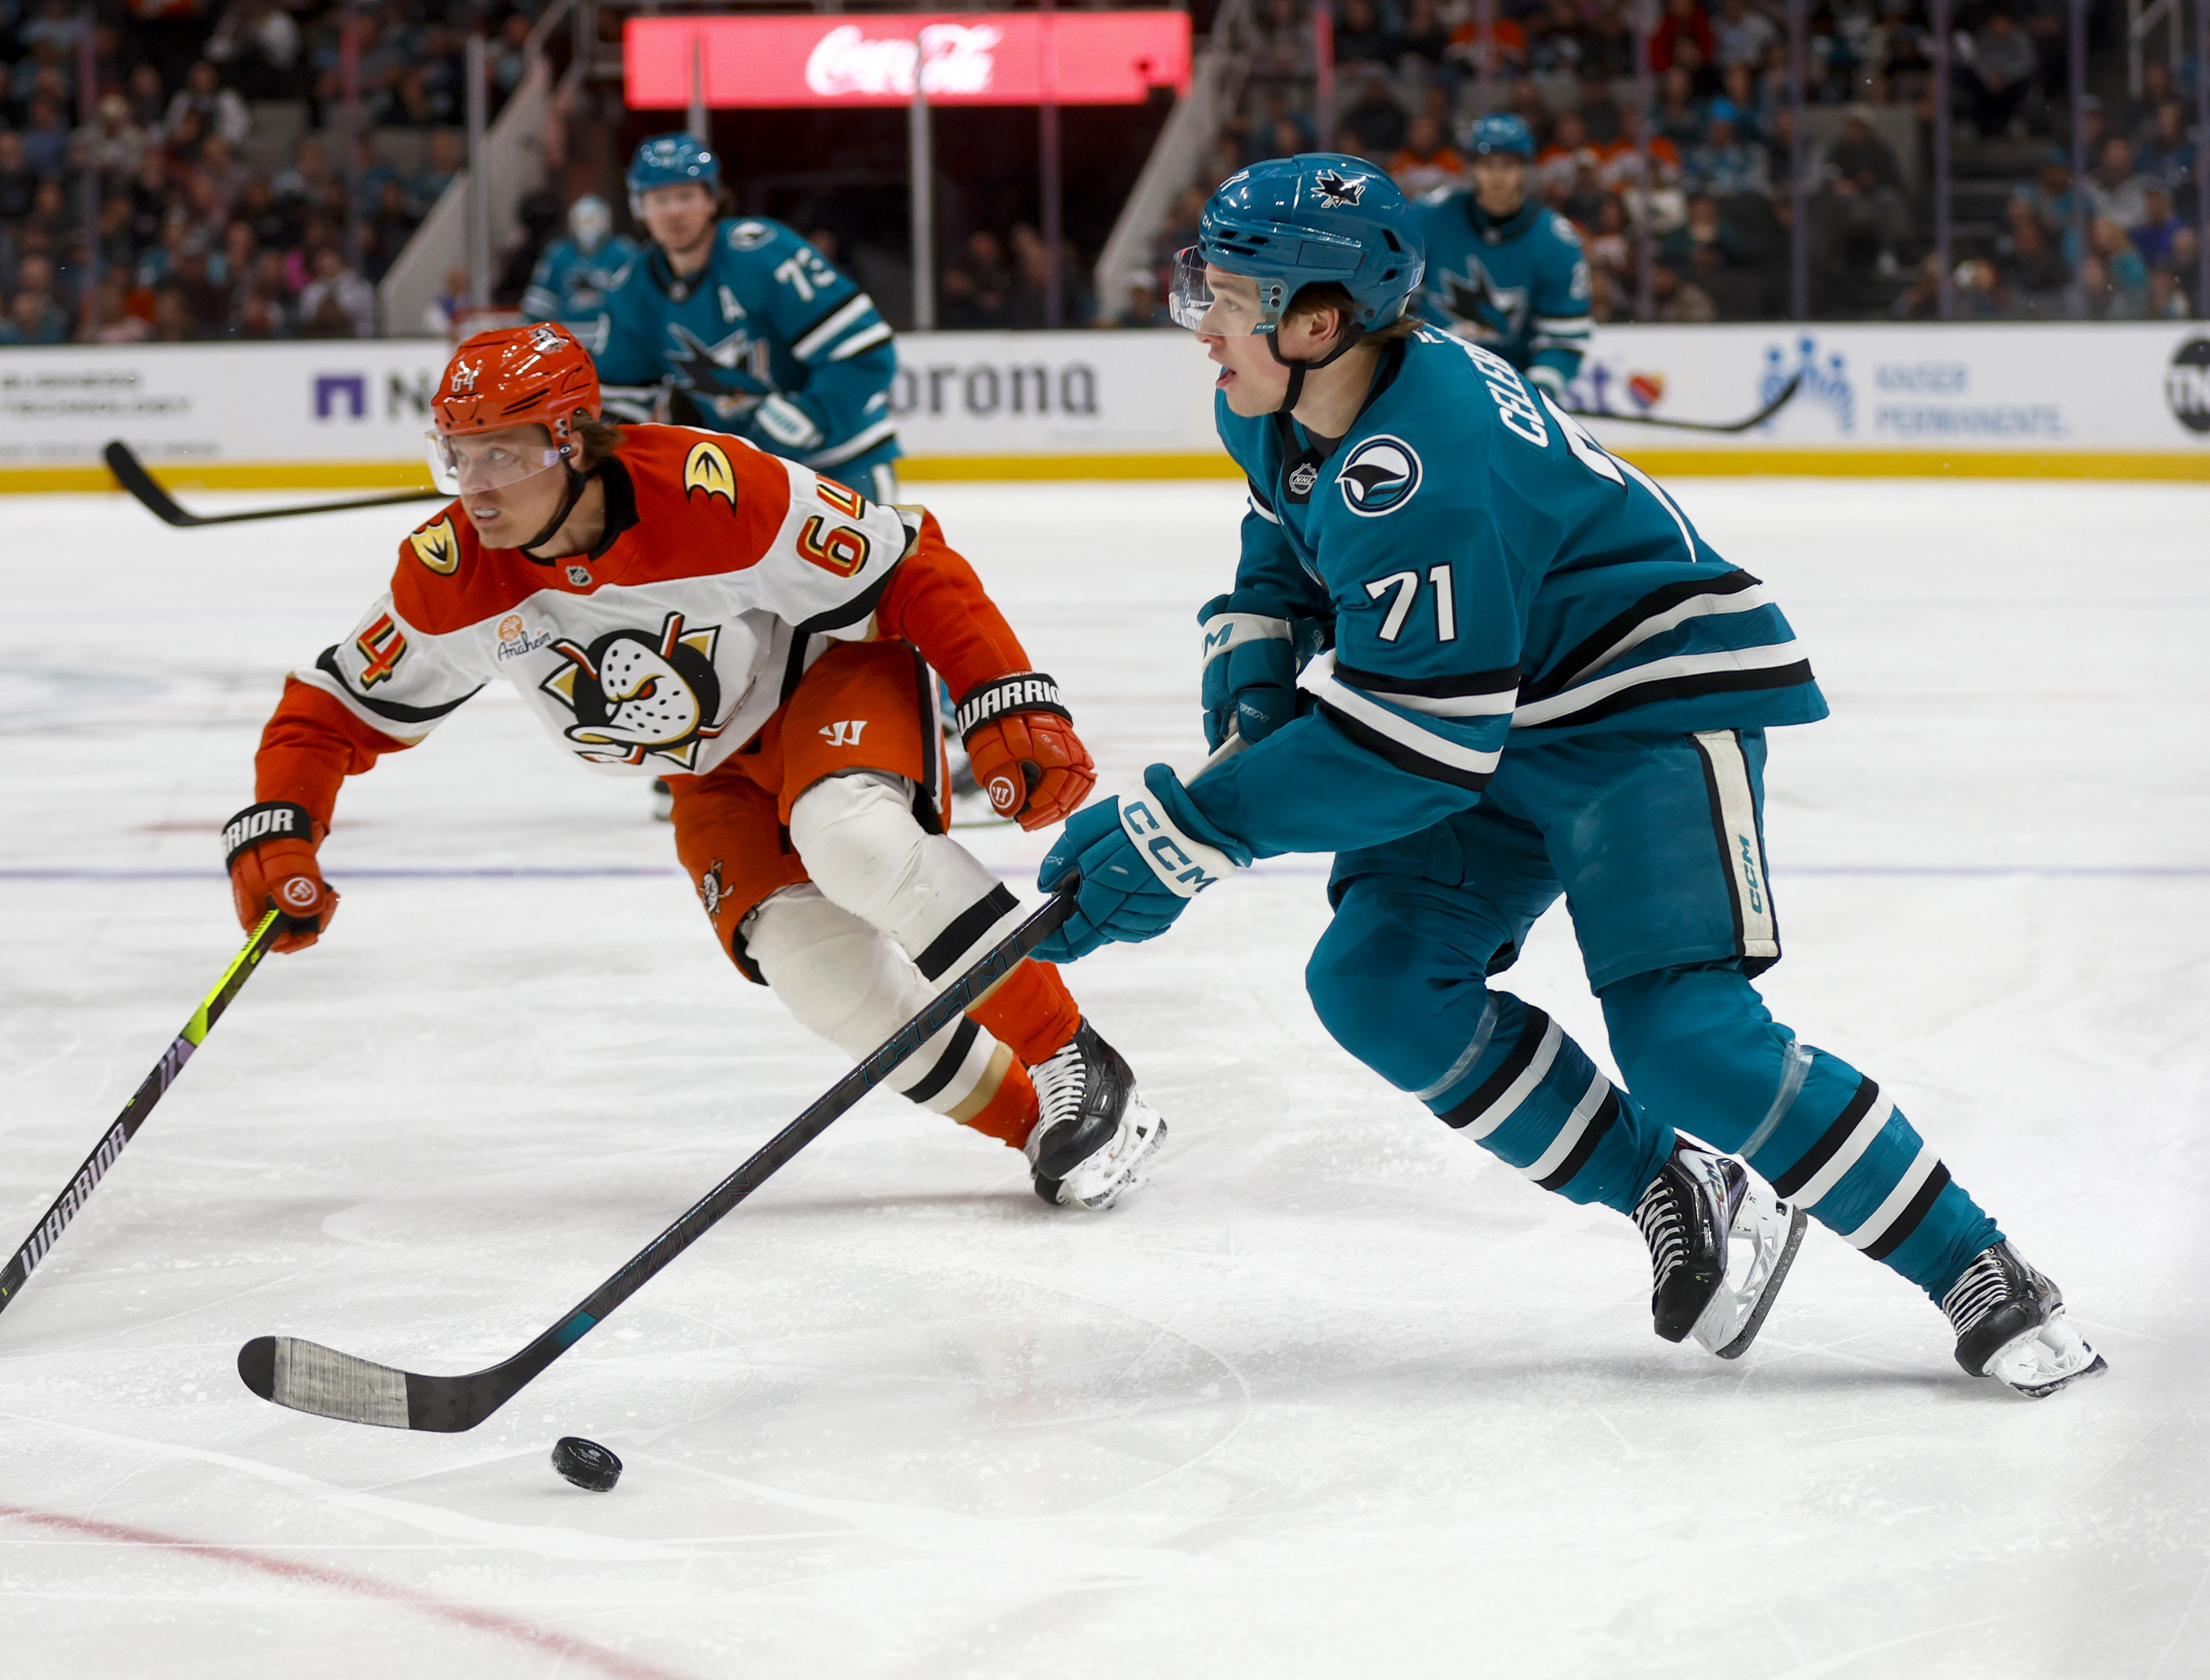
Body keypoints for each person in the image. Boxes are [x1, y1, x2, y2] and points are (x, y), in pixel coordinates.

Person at [1031, 154, 2106, 1400]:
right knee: (1376, 983)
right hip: (1496, 706)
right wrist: (1256, 663)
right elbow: (1285, 527)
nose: (1200, 324)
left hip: (1638, 707)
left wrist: (1191, 831)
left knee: (1691, 1044)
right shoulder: (1274, 400)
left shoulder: (1429, 464)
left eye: (1228, 298)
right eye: (1201, 288)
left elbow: (1411, 749)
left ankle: (1977, 1263)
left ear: (1318, 322)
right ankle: (1672, 1185)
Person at [221, 324, 1165, 1211]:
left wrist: (1004, 695)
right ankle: (1045, 1128)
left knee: (851, 839)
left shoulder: (714, 494)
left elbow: (906, 560)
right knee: (809, 966)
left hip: (822, 680)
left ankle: (1073, 1057)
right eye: (457, 455)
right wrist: (281, 827)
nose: (473, 485)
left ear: (574, 443)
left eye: (503, 453)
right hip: (707, 767)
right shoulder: (452, 575)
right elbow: (333, 707)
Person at [593, 134, 903, 503]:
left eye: (686, 196)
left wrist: (811, 412)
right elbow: (620, 403)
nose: (674, 211)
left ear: (711, 199)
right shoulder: (632, 288)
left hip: (841, 461)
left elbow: (866, 353)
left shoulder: (762, 252)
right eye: (659, 199)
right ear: (639, 208)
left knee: (876, 562)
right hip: (748, 475)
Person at [1413, 115, 1592, 398]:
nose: (1497, 176)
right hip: (1429, 377)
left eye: (1508, 165)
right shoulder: (1429, 217)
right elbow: (1398, 305)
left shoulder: (1556, 241)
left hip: (1509, 389)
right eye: (1487, 165)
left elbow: (1564, 339)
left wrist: (1537, 392)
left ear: (1524, 168)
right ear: (1471, 167)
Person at [523, 194, 643, 343]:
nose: (589, 226)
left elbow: (639, 301)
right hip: (566, 340)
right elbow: (539, 306)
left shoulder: (624, 252)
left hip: (612, 339)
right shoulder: (558, 254)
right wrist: (543, 341)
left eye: (594, 219)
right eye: (584, 220)